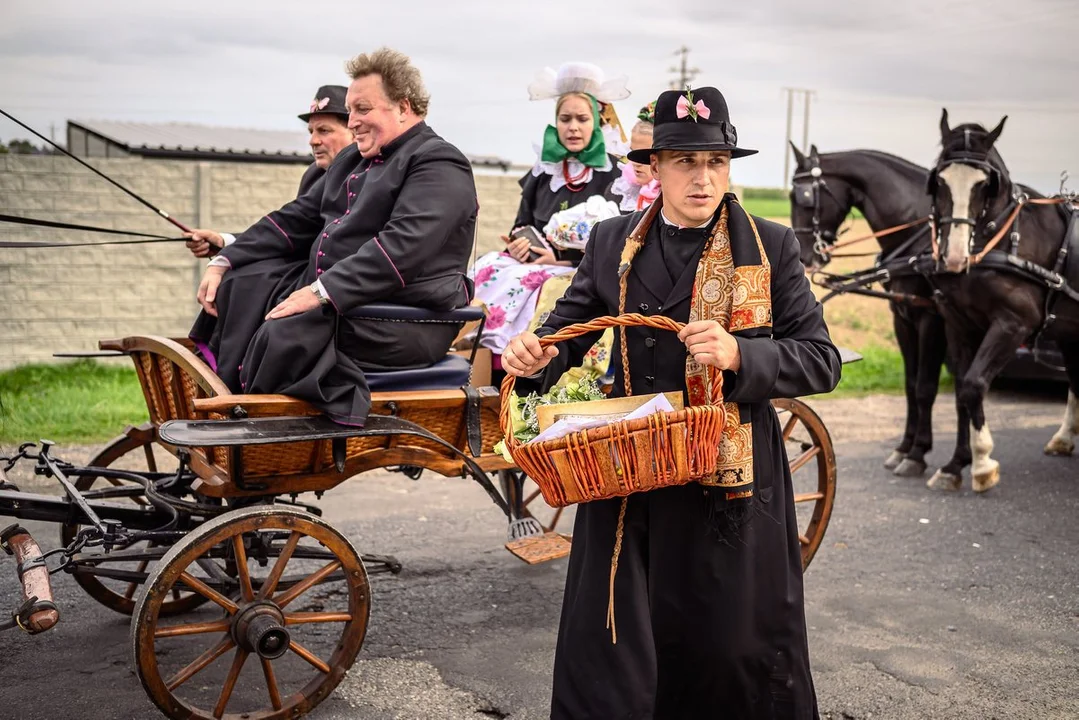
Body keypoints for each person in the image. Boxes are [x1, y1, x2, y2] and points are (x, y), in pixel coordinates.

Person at [502, 86, 842, 719]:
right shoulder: (611, 242)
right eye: (686, 161)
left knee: (729, 649)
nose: (703, 177)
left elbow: (820, 360)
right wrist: (534, 358)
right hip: (629, 470)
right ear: (652, 167)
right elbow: (566, 333)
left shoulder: (769, 247)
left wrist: (744, 355)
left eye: (716, 162)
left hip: (727, 482)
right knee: (611, 644)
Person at [189, 47, 478, 426]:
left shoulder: (439, 162)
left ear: (403, 107)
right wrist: (226, 258)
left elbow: (402, 248)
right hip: (350, 307)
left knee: (283, 332)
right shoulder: (353, 160)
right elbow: (297, 219)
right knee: (241, 286)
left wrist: (317, 292)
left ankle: (259, 434)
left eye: (362, 109)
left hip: (402, 318)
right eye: (352, 110)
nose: (353, 120)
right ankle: (224, 408)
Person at [468, 62, 627, 359]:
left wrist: (560, 258)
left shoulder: (615, 174)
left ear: (597, 121)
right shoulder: (544, 170)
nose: (573, 127)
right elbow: (522, 222)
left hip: (581, 269)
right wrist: (520, 245)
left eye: (582, 118)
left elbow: (615, 240)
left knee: (533, 284)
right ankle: (479, 347)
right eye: (565, 119)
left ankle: (529, 359)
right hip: (535, 262)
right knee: (487, 267)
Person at [185, 84, 353, 258]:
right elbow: (292, 232)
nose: (313, 141)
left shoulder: (371, 177)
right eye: (311, 132)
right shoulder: (314, 175)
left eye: (324, 131)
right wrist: (225, 242)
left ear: (355, 131)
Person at [609, 101, 661, 212]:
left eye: (645, 154)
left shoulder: (675, 197)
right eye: (633, 152)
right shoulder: (619, 191)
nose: (636, 162)